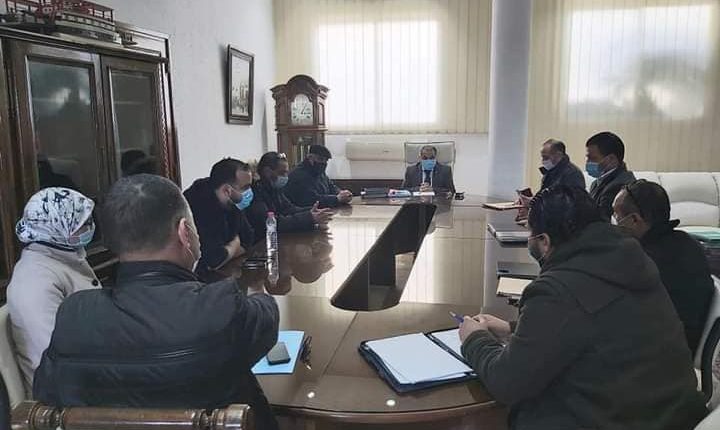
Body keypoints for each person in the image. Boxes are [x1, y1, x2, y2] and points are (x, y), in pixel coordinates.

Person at [33, 174, 280, 430]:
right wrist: (258, 292)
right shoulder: (219, 306)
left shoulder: (73, 315)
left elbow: (46, 393)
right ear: (185, 232)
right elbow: (267, 315)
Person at [459, 186, 707, 430]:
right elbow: (594, 325)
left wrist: (474, 338)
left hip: (615, 419)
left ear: (544, 241)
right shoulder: (633, 259)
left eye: (530, 232)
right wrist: (512, 328)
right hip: (673, 415)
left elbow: (507, 382)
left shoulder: (556, 289)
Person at [7, 187, 101, 394]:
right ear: (56, 227)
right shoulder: (34, 279)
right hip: (62, 392)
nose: (90, 227)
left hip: (87, 373)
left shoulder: (63, 256)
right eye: (82, 224)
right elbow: (54, 352)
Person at [613, 179, 714, 354]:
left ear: (635, 220)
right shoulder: (689, 243)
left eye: (616, 216)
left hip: (655, 354)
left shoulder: (641, 260)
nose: (614, 222)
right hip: (688, 345)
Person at [184, 158, 255, 279]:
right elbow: (213, 261)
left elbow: (248, 238)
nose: (250, 192)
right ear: (227, 190)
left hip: (223, 273)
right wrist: (235, 245)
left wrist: (227, 252)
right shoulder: (200, 204)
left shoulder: (232, 202)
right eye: (245, 187)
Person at [247, 151, 333, 238]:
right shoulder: (255, 193)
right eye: (282, 173)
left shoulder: (275, 188)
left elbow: (289, 208)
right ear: (267, 171)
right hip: (263, 241)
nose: (285, 177)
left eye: (286, 173)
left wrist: (313, 211)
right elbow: (272, 223)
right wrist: (309, 218)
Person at [516, 139, 586, 219]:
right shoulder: (551, 172)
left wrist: (534, 204)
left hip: (563, 222)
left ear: (559, 155)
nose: (543, 160)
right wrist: (530, 201)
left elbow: (568, 205)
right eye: (542, 157)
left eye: (546, 157)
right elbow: (545, 195)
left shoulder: (572, 174)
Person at [585, 131, 636, 220]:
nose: (588, 162)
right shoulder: (598, 182)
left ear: (612, 159)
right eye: (587, 157)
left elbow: (601, 220)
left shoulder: (620, 187)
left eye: (593, 158)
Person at [285, 145, 352, 208]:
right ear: (310, 158)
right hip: (304, 213)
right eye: (320, 159)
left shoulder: (319, 172)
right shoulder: (299, 175)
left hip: (321, 211)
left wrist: (342, 193)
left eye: (326, 160)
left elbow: (331, 187)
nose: (323, 163)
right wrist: (337, 199)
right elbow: (311, 199)